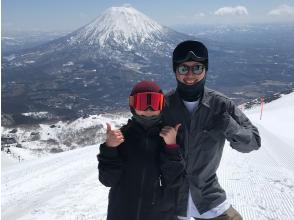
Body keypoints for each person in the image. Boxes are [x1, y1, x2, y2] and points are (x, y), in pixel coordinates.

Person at [162, 40, 261, 220]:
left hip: (209, 198)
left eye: (197, 68)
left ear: (205, 69)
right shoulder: (165, 106)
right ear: (175, 71)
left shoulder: (221, 104)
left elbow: (253, 142)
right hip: (172, 201)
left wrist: (229, 126)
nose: (190, 75)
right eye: (183, 69)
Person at [97, 80, 185, 220]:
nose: (149, 109)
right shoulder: (121, 138)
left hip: (160, 215)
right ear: (132, 105)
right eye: (143, 102)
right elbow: (108, 180)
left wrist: (171, 147)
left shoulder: (170, 137)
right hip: (122, 214)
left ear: (161, 105)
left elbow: (175, 181)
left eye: (154, 102)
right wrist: (110, 149)